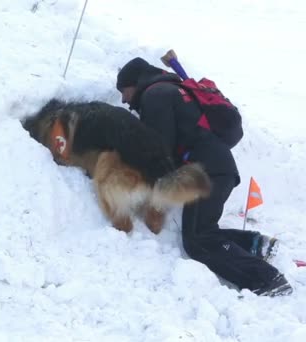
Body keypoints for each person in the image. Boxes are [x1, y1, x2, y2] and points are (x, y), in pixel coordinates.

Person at [116, 57, 292, 296]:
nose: (123, 99)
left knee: (198, 239)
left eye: (123, 90)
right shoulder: (173, 91)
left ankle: (267, 279)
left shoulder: (155, 96)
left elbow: (159, 151)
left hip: (207, 172)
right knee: (201, 232)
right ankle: (255, 244)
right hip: (215, 169)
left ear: (133, 83)